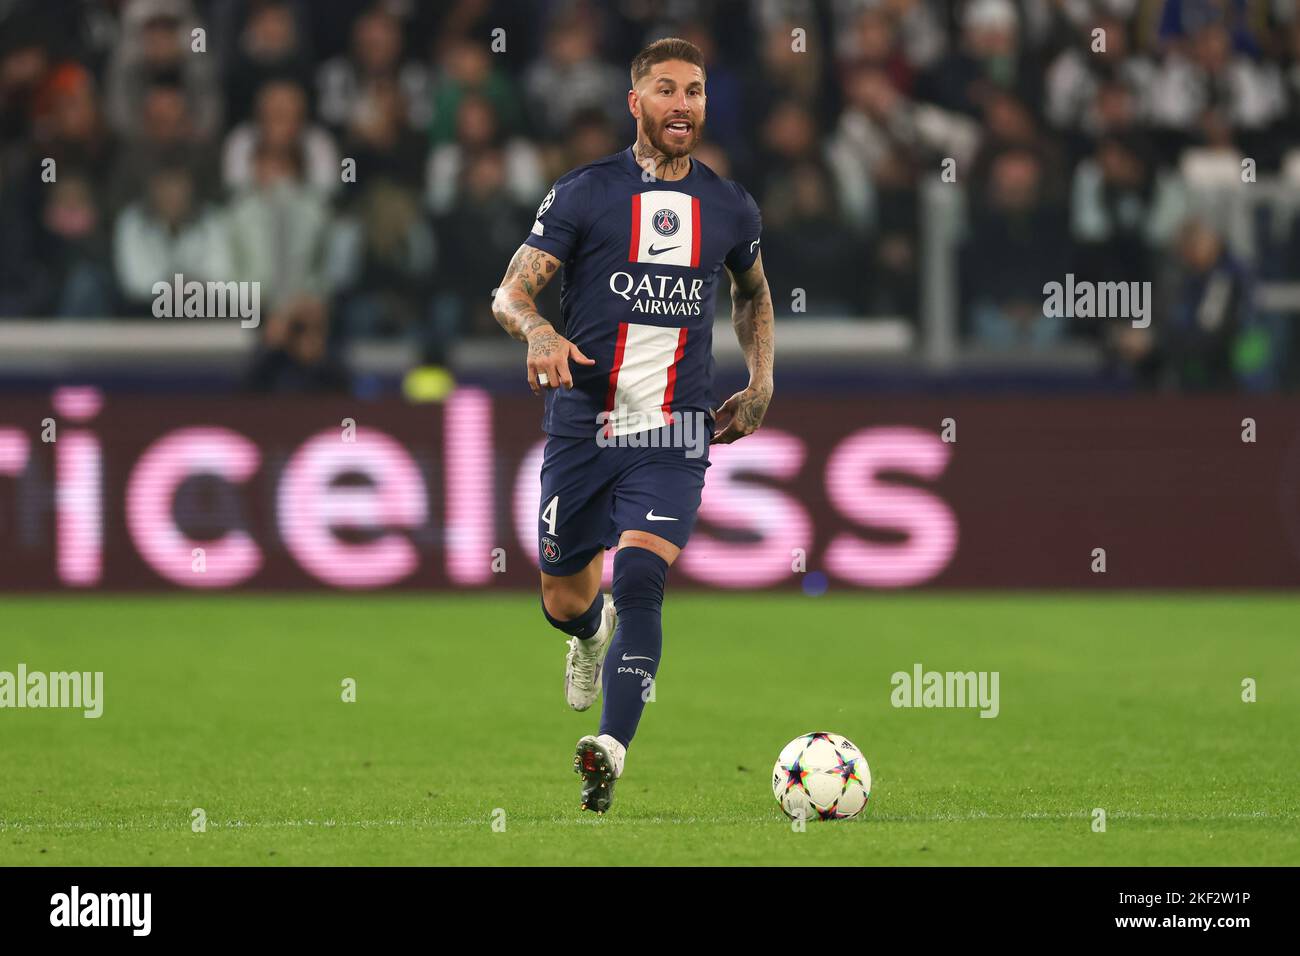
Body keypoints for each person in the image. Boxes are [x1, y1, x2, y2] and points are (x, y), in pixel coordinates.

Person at [491, 37, 774, 814]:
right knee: (561, 595)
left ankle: (610, 747)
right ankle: (587, 634)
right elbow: (510, 294)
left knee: (643, 579)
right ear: (635, 102)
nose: (682, 104)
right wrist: (540, 333)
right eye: (665, 90)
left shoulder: (729, 206)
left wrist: (761, 378)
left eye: (695, 91)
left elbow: (751, 292)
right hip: (584, 425)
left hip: (675, 433)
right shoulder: (584, 194)